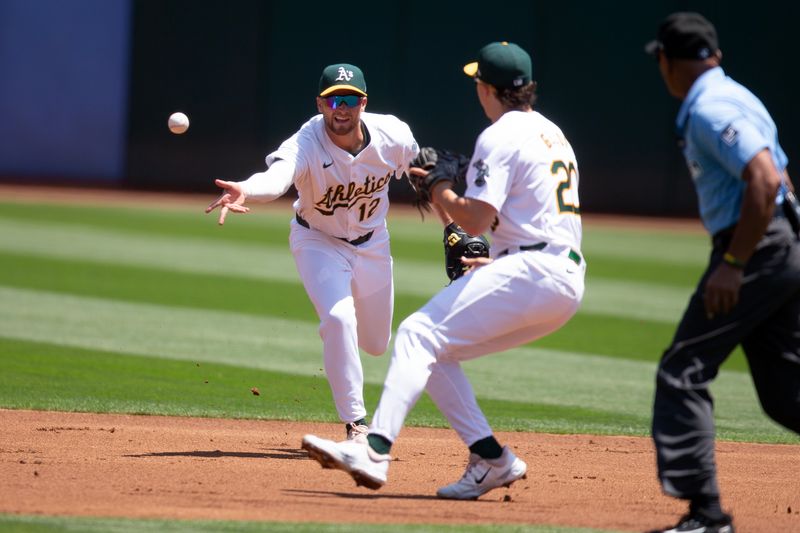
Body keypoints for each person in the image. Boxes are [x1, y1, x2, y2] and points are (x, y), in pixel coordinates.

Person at [301, 41, 586, 500]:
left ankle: (371, 451)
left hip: (534, 270)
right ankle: (492, 459)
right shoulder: (553, 134)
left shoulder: (500, 135)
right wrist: (497, 260)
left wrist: (439, 190)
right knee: (435, 353)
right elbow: (535, 218)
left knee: (416, 334)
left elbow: (473, 218)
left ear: (487, 88)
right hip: (563, 278)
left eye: (478, 81)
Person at [644, 12, 800, 533]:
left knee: (682, 371)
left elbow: (763, 178)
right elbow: (781, 178)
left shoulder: (709, 108)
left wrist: (735, 263)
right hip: (778, 240)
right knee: (786, 392)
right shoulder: (737, 94)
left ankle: (706, 516)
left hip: (753, 246)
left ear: (668, 62)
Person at [206, 63, 420, 441]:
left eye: (350, 99)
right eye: (334, 99)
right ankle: (356, 424)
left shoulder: (394, 135)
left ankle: (352, 370)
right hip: (317, 241)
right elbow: (277, 179)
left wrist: (453, 219)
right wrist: (246, 189)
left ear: (363, 103)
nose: (342, 108)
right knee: (339, 321)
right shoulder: (305, 142)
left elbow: (422, 172)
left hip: (373, 243)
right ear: (320, 104)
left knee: (375, 344)